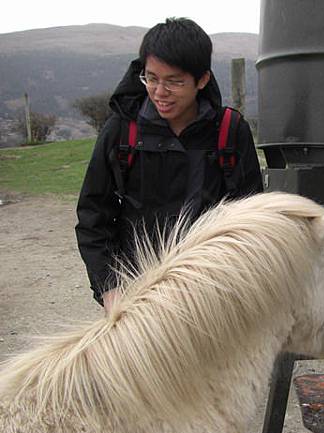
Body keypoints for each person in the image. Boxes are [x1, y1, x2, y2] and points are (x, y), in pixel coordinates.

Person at [75, 18, 263, 311]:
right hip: (138, 295)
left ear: (202, 80)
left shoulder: (230, 130)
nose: (159, 92)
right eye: (151, 78)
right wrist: (110, 288)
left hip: (213, 294)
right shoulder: (122, 130)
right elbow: (93, 216)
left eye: (174, 81)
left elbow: (250, 219)